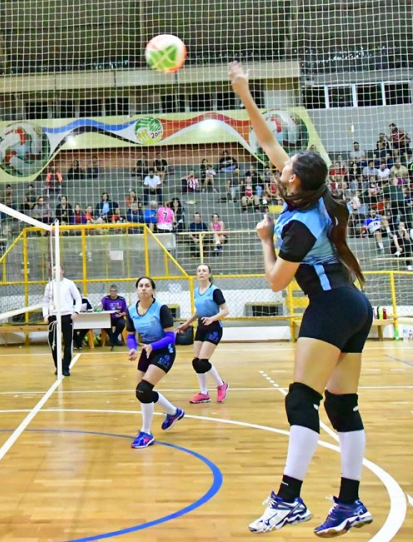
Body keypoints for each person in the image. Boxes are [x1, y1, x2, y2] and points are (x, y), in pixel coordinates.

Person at [231, 61, 374, 536]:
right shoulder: (315, 196)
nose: (283, 162)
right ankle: (350, 504)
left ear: (293, 180)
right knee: (342, 407)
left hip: (331, 307)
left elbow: (276, 282)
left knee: (301, 401)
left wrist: (265, 240)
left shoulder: (296, 226)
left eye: (288, 164)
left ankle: (288, 500)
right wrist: (243, 91)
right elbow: (267, 140)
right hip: (352, 304)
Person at [126, 276, 184, 449]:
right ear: (137, 290)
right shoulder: (132, 310)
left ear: (152, 290)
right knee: (141, 392)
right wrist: (132, 348)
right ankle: (173, 412)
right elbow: (130, 335)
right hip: (147, 350)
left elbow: (171, 337)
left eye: (147, 285)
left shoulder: (161, 309)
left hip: (164, 350)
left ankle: (146, 433)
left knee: (144, 389)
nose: (144, 288)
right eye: (141, 286)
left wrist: (153, 346)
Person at [177, 264, 230, 404]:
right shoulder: (196, 291)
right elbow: (198, 312)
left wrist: (212, 318)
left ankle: (221, 385)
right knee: (196, 362)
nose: (201, 273)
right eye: (199, 271)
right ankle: (204, 393)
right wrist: (187, 323)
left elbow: (225, 310)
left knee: (203, 361)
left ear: (209, 274)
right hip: (201, 327)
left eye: (204, 271)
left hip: (214, 327)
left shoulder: (215, 291)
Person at [42, 265, 81, 376]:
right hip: (53, 317)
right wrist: (45, 315)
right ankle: (58, 366)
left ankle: (66, 367)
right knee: (53, 343)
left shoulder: (69, 283)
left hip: (67, 316)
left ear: (62, 271)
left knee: (68, 343)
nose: (55, 271)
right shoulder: (49, 285)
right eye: (53, 269)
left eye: (57, 269)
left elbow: (78, 298)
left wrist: (76, 311)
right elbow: (45, 301)